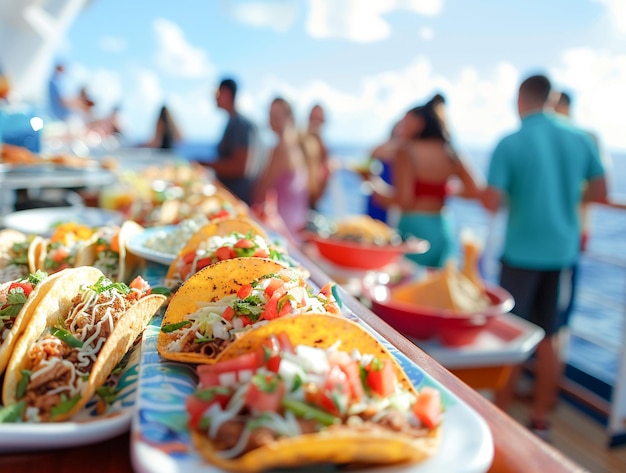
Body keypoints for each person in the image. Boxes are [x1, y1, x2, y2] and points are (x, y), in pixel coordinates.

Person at [480, 74, 608, 440]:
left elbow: (491, 201)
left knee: (510, 336)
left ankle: (500, 417)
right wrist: (564, 198)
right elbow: (600, 190)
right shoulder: (580, 138)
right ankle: (540, 419)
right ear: (552, 99)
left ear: (521, 99)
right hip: (563, 252)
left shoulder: (511, 141)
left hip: (521, 252)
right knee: (552, 336)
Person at [369, 94, 482, 268]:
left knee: (408, 289)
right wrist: (443, 189)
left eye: (406, 122)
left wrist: (374, 186)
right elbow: (475, 190)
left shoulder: (406, 151)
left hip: (414, 229)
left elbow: (404, 201)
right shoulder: (450, 151)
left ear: (419, 123)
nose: (401, 128)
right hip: (442, 226)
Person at [252, 97, 309, 242]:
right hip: (297, 226)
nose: (271, 121)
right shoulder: (298, 147)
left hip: (282, 230)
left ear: (289, 118)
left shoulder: (281, 149)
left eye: (276, 116)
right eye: (270, 116)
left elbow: (261, 191)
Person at [200, 78, 259, 205]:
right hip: (231, 197)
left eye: (217, 93)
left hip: (236, 199)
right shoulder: (234, 122)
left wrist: (206, 164)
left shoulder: (240, 124)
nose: (214, 98)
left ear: (226, 93)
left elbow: (239, 168)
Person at [299, 104, 331, 210]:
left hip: (310, 202)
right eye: (313, 118)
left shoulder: (324, 149)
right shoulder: (299, 140)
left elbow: (318, 194)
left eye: (318, 119)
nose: (315, 122)